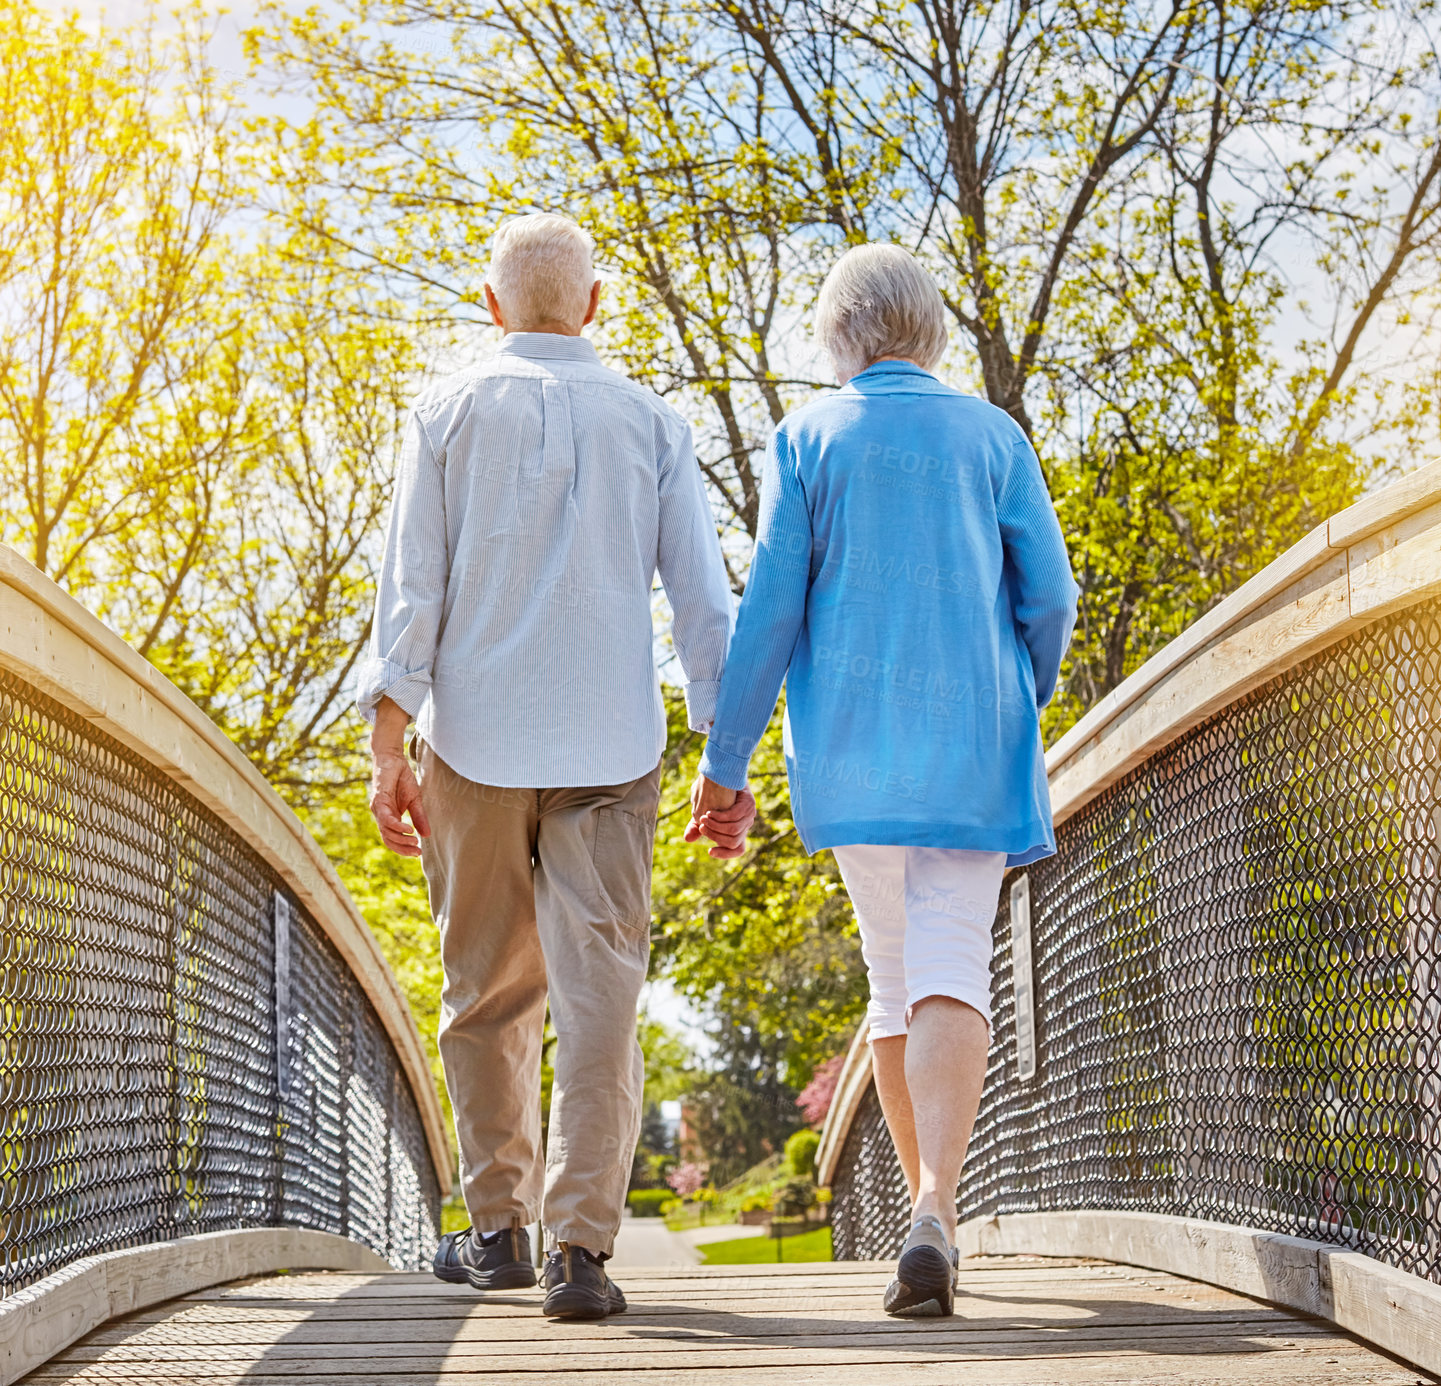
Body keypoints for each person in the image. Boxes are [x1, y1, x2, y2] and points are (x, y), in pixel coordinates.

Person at [358, 213, 753, 1320]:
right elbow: (700, 603)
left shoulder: (442, 412)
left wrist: (388, 742)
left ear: (491, 307)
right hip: (611, 748)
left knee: (486, 993)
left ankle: (496, 1234)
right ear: (594, 303)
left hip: (475, 745)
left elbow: (413, 589)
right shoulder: (654, 422)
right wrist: (724, 762)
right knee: (603, 999)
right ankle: (580, 1254)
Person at [688, 243, 1077, 1317]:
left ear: (839, 335)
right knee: (952, 954)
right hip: (972, 750)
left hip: (853, 754)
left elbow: (768, 610)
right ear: (932, 329)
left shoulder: (805, 440)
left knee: (892, 975)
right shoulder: (993, 437)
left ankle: (920, 1204)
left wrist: (725, 766)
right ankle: (938, 1207)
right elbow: (1049, 598)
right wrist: (1014, 692)